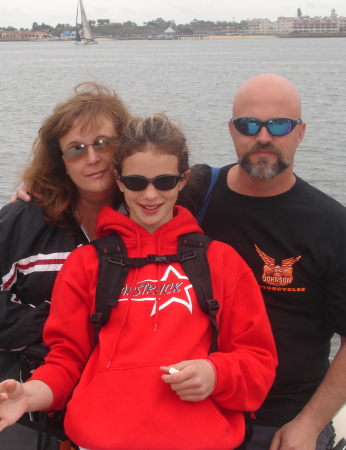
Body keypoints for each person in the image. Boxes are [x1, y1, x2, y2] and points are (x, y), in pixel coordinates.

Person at [0, 114, 277, 450]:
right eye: (135, 182)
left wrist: (216, 373)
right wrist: (29, 395)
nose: (149, 195)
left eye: (163, 181)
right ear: (118, 181)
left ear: (183, 180)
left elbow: (259, 362)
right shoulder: (85, 265)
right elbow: (66, 362)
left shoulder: (220, 261)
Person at [189, 74, 346, 450]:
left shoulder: (332, 225)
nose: (263, 137)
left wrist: (308, 425)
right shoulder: (192, 193)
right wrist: (33, 196)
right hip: (194, 406)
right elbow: (114, 191)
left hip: (281, 420)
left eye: (279, 124)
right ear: (231, 131)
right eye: (248, 125)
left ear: (300, 132)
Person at [0, 81, 131, 448]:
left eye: (104, 143)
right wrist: (59, 324)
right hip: (32, 406)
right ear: (60, 161)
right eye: (76, 149)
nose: (93, 158)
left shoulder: (152, 216)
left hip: (122, 411)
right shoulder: (22, 221)